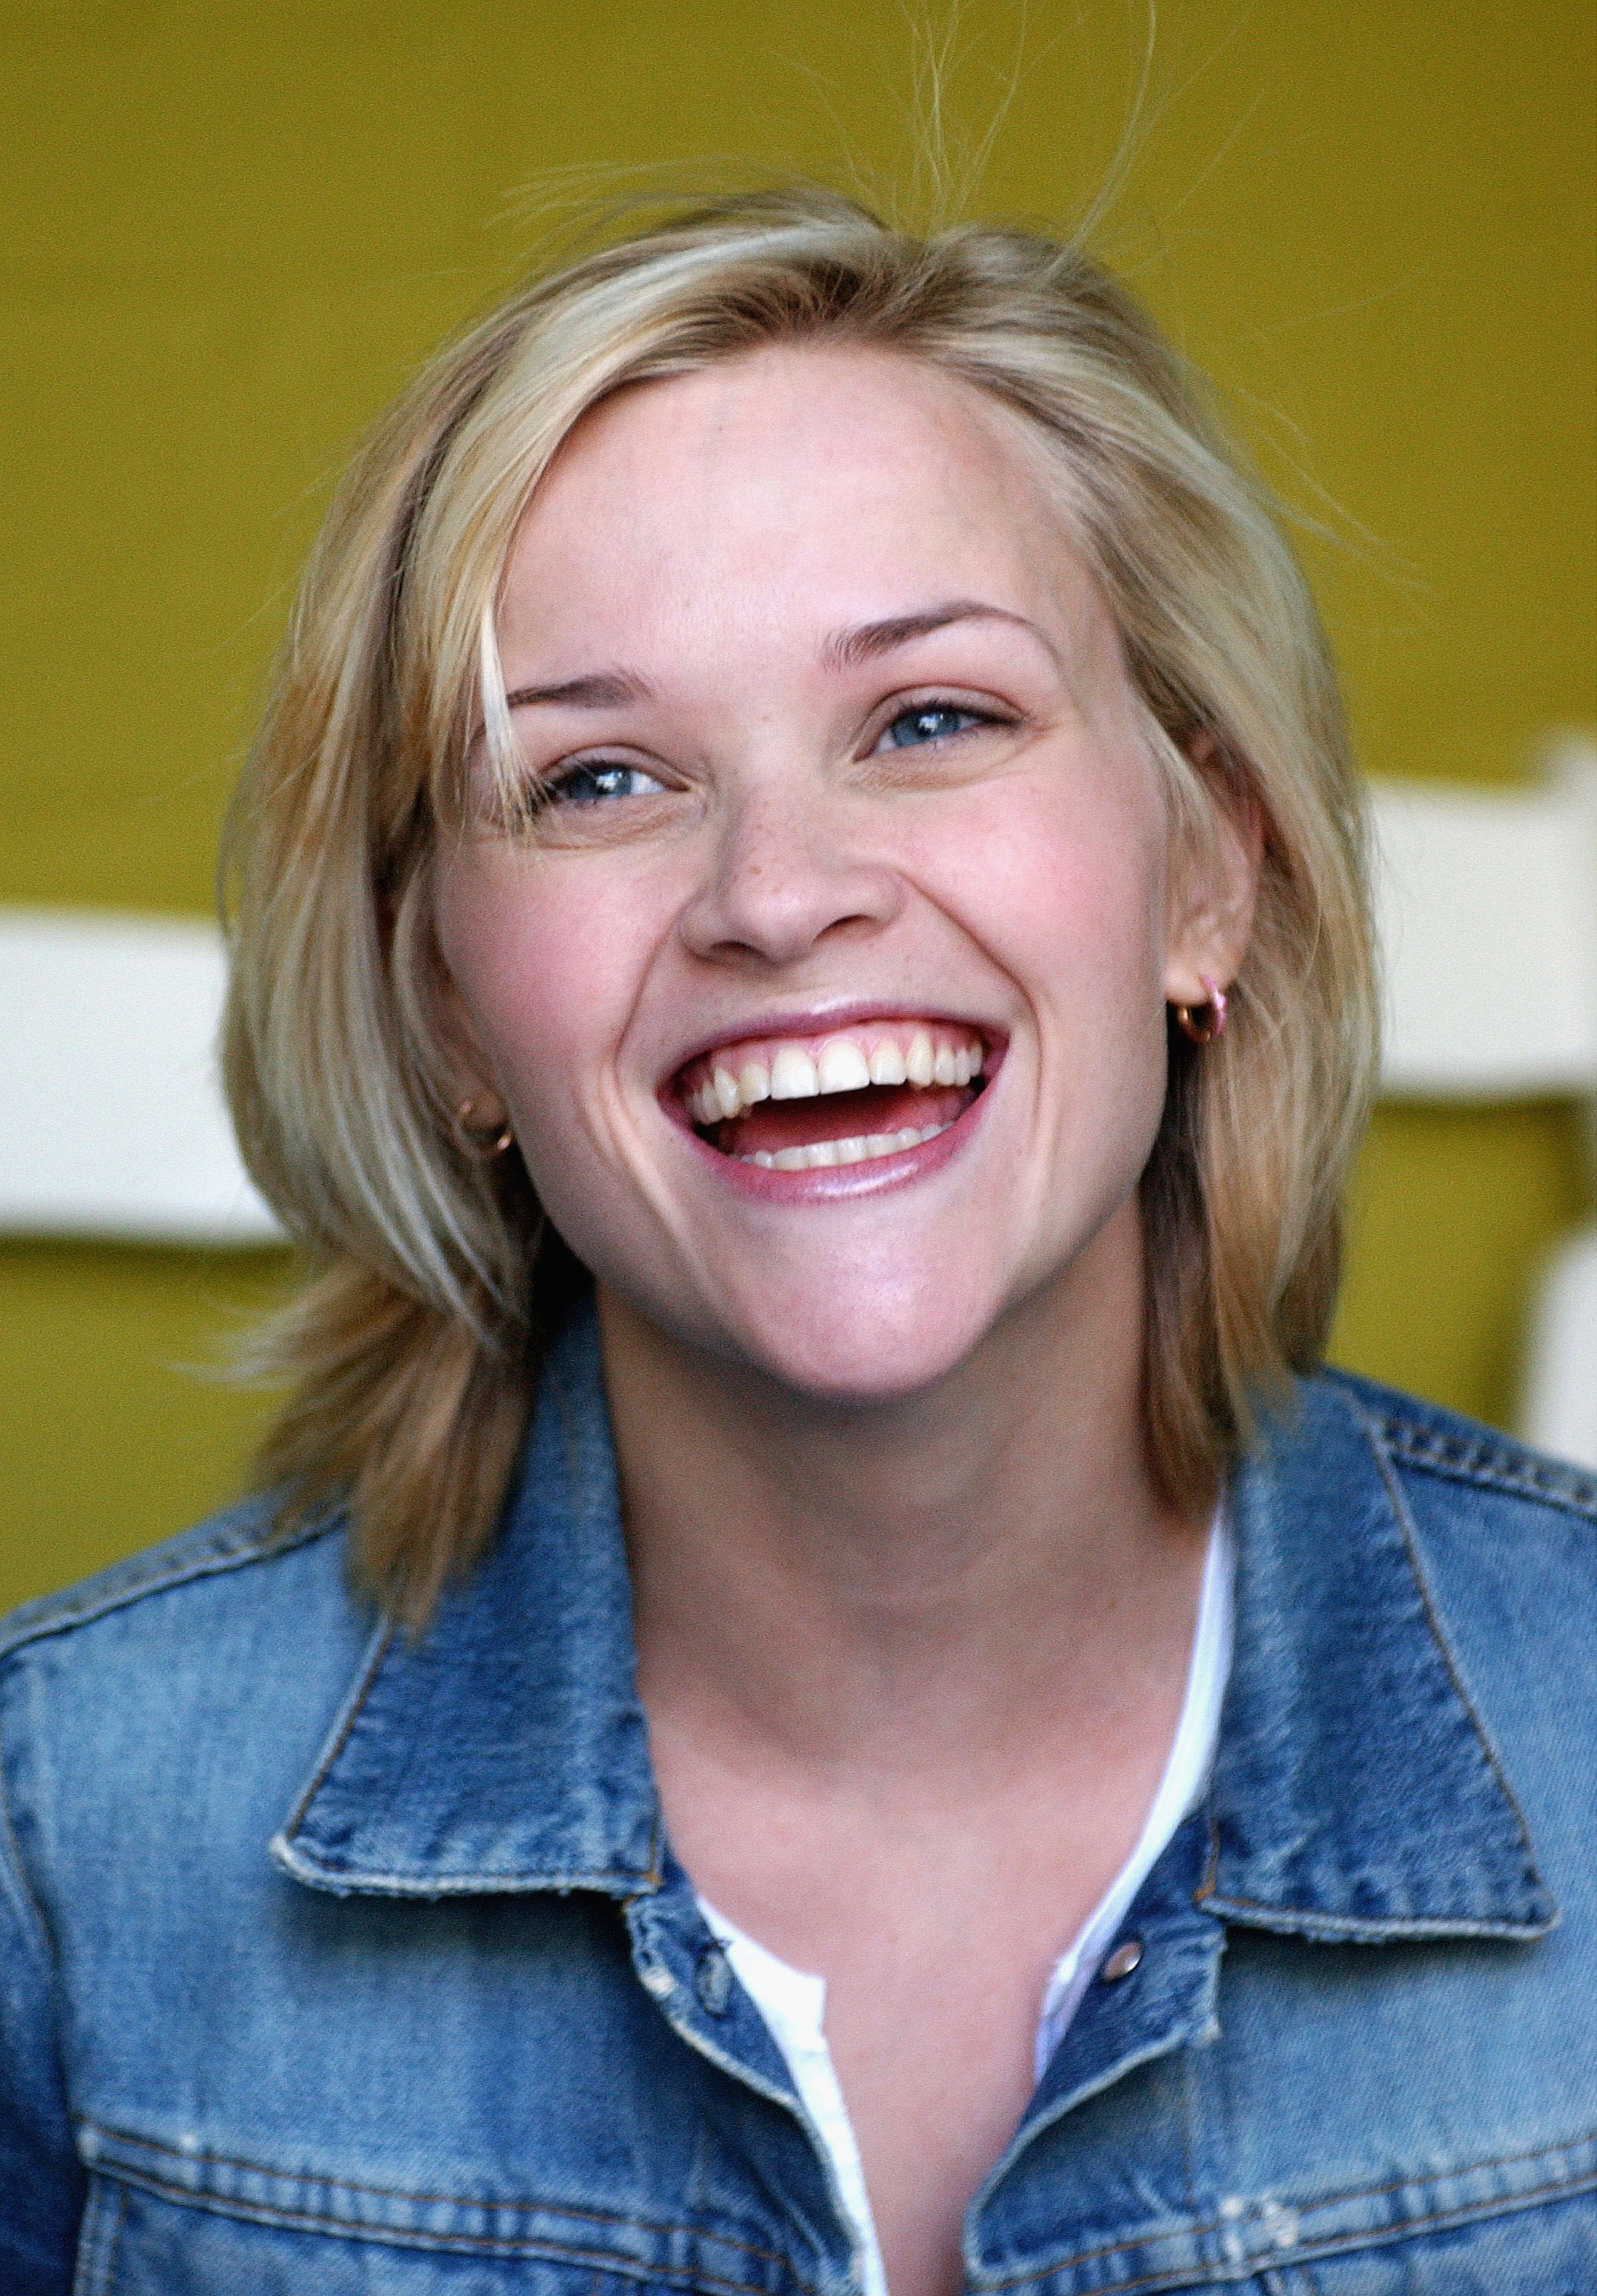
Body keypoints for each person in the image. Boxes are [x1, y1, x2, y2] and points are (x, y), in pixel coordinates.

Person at [2, 188, 1593, 2296]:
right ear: (448, 1006)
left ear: (1205, 873)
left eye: (931, 720)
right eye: (594, 777)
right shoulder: (62, 1854)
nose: (778, 889)